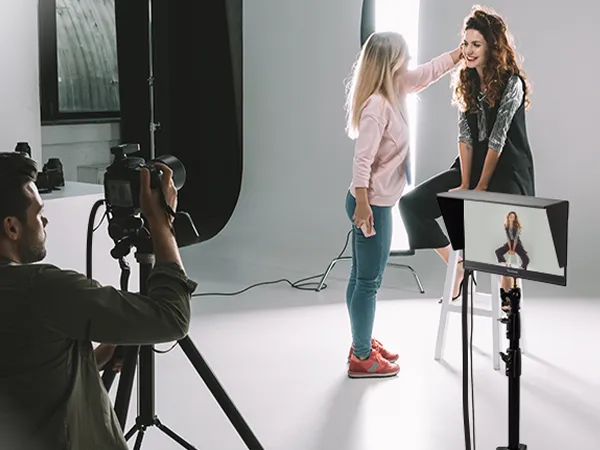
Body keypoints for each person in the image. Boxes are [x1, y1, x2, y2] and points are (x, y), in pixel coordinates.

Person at [0, 151, 197, 450]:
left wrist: (93, 357)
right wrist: (161, 223)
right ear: (11, 227)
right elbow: (172, 318)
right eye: (39, 213)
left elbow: (25, 371)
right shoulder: (43, 289)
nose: (46, 220)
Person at [344, 31, 462, 378]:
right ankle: (362, 358)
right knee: (368, 282)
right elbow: (361, 162)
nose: (409, 62)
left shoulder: (394, 89)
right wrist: (364, 207)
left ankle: (360, 344)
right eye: (404, 57)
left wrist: (458, 54)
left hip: (375, 201)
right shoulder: (377, 106)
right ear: (390, 63)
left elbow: (426, 74)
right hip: (371, 205)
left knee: (360, 277)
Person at [399, 6, 535, 301]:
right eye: (466, 43)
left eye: (476, 44)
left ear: (492, 47)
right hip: (472, 168)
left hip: (509, 169)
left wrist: (481, 186)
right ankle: (457, 265)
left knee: (504, 234)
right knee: (412, 205)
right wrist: (464, 182)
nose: (469, 51)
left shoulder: (513, 83)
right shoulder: (467, 81)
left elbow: (498, 139)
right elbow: (465, 136)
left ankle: (508, 306)